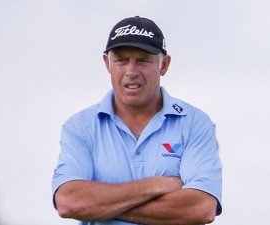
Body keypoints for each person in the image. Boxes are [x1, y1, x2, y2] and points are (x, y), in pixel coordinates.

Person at [52, 16, 222, 225]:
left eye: (142, 60)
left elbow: (201, 208)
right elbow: (70, 202)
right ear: (107, 63)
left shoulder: (194, 123)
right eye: (121, 60)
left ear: (164, 64)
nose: (131, 71)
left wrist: (99, 205)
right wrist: (155, 186)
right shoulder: (79, 127)